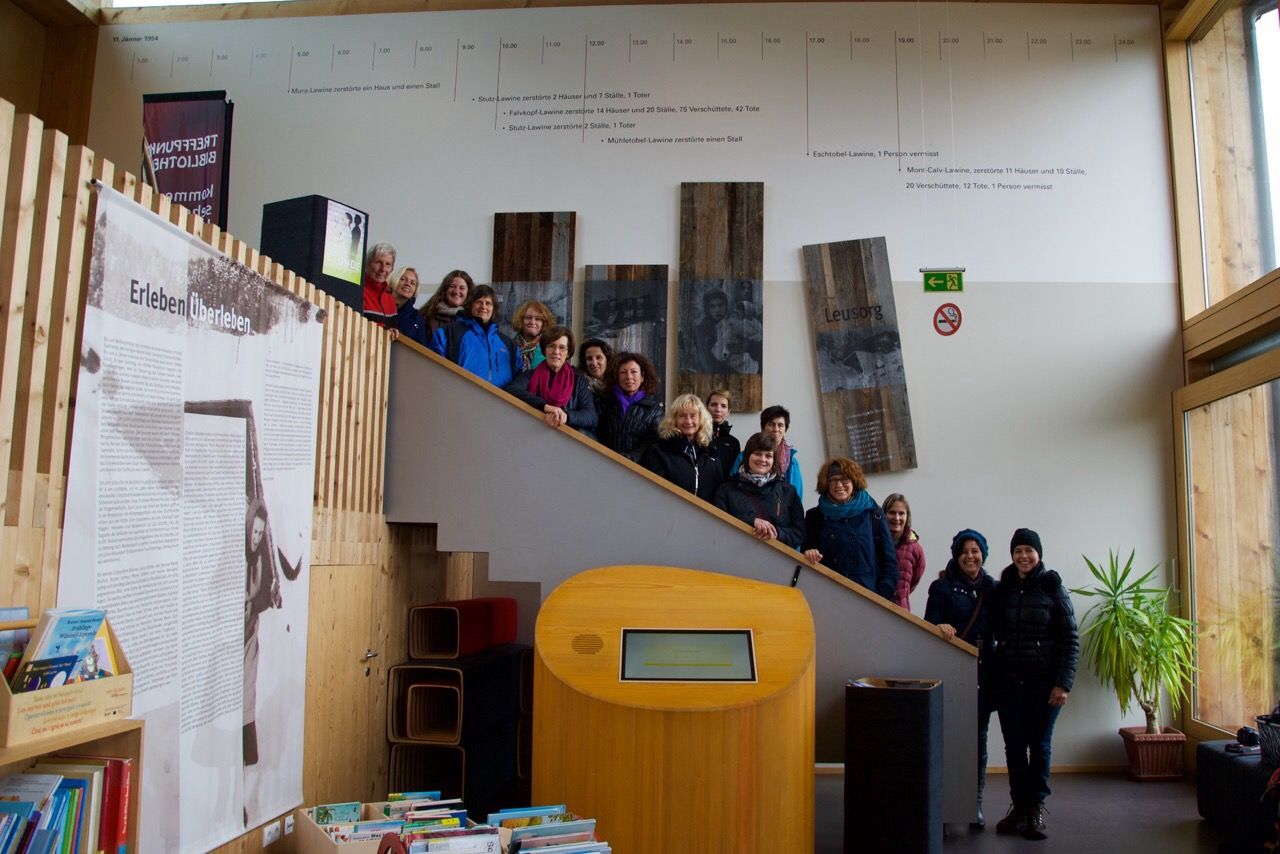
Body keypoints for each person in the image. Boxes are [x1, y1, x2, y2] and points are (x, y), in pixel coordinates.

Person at [990, 528, 1079, 841]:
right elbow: (992, 631)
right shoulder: (1003, 588)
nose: (1023, 556)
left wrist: (1063, 684)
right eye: (1018, 551)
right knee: (1014, 747)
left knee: (1039, 745)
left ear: (1038, 553)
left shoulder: (1053, 587)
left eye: (1029, 550)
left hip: (1045, 685)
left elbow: (1071, 639)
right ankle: (1019, 808)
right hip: (1010, 683)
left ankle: (1036, 809)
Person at [924, 529, 997, 831]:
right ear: (956, 555)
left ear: (983, 555)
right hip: (951, 673)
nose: (970, 556)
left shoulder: (993, 588)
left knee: (978, 740)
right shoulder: (941, 587)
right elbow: (929, 625)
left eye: (975, 551)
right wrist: (940, 627)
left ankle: (973, 802)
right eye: (964, 551)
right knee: (946, 739)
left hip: (983, 674)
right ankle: (944, 804)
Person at [801, 457, 896, 600]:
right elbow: (806, 552)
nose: (839, 485)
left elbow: (889, 563)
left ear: (854, 482)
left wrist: (881, 596)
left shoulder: (873, 514)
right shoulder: (814, 517)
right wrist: (809, 553)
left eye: (845, 479)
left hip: (867, 595)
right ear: (826, 483)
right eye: (833, 480)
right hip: (830, 595)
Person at [243, 498, 282, 824]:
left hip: (248, 643)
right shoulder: (239, 562)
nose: (256, 538)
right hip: (235, 644)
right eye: (253, 532)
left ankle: (245, 798)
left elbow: (259, 600)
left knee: (247, 709)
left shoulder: (258, 564)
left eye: (260, 533)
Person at [712, 432, 804, 547]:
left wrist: (775, 533)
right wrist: (751, 522)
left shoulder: (788, 492)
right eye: (757, 454)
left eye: (768, 456)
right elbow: (718, 524)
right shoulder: (726, 489)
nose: (762, 459)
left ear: (774, 460)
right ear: (747, 456)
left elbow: (799, 534)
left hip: (774, 556)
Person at [505, 326, 597, 438]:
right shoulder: (530, 375)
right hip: (532, 436)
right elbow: (511, 389)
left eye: (562, 348)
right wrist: (544, 406)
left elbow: (591, 416)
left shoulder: (578, 380)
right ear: (544, 350)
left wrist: (566, 416)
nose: (556, 352)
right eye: (551, 346)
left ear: (568, 353)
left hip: (567, 441)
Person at [640, 393, 724, 502]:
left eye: (693, 416)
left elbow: (719, 492)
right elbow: (652, 491)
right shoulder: (659, 451)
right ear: (674, 419)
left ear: (701, 419)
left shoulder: (710, 453)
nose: (688, 421)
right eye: (682, 416)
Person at [429, 284, 518, 387]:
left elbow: (518, 377)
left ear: (493, 309)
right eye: (479, 302)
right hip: (460, 394)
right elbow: (434, 368)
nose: (483, 307)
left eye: (488, 303)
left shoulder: (509, 344)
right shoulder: (448, 333)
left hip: (499, 397)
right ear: (470, 305)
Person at [596, 352, 663, 459]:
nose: (629, 377)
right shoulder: (603, 402)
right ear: (616, 376)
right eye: (623, 372)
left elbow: (653, 440)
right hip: (604, 461)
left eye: (634, 372)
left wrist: (634, 456)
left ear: (642, 376)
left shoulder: (653, 409)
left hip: (635, 466)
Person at [731, 405, 802, 496]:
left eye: (780, 425)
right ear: (762, 428)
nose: (776, 429)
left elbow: (796, 495)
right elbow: (732, 488)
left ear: (785, 430)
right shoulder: (743, 457)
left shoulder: (791, 462)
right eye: (771, 424)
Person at [884, 493, 926, 611]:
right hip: (874, 608)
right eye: (892, 512)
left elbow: (913, 582)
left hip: (900, 611)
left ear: (907, 516)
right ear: (884, 514)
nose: (897, 518)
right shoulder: (873, 542)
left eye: (901, 513)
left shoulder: (916, 550)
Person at [420, 270, 473, 339]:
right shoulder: (427, 315)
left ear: (468, 292)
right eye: (452, 286)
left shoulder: (473, 320)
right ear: (445, 289)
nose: (456, 291)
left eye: (462, 288)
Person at [705, 389, 740, 481]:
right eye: (714, 404)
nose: (718, 409)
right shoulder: (696, 437)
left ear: (728, 411)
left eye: (723, 406)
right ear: (706, 408)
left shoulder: (734, 443)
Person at [362, 241, 398, 329]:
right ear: (368, 264)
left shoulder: (389, 297)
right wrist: (384, 329)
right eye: (378, 262)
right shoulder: (358, 290)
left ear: (392, 269)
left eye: (388, 264)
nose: (383, 269)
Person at [511, 300, 555, 372]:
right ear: (521, 320)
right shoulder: (510, 346)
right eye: (528, 317)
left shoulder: (550, 348)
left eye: (538, 319)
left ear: (543, 323)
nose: (532, 322)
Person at [390, 266, 427, 346]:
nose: (408, 284)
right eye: (403, 279)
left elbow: (421, 348)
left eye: (412, 283)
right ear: (394, 280)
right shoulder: (380, 306)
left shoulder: (417, 318)